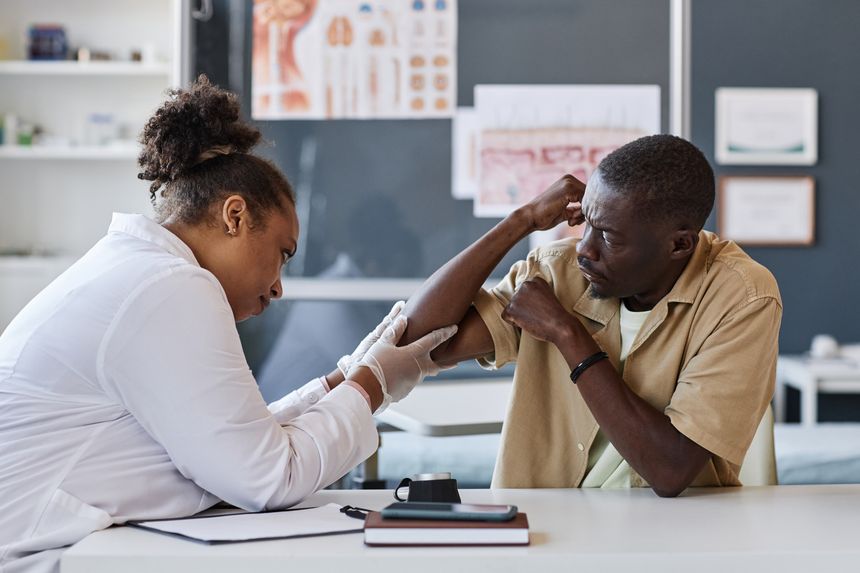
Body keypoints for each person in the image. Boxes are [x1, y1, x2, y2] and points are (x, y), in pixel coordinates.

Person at [0, 76, 455, 573]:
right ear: (234, 216)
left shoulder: (140, 270)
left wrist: (343, 378)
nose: (279, 287)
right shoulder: (168, 286)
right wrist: (374, 384)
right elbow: (268, 478)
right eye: (282, 254)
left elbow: (234, 446)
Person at [400, 134, 782, 497]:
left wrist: (567, 333)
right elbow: (414, 343)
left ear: (679, 244)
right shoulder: (559, 271)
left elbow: (671, 470)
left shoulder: (742, 296)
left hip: (670, 533)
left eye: (609, 237)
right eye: (586, 223)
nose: (584, 249)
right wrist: (523, 219)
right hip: (546, 524)